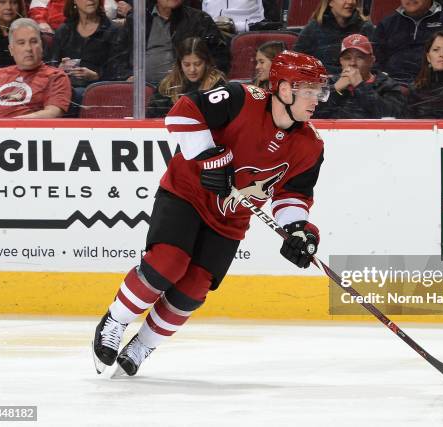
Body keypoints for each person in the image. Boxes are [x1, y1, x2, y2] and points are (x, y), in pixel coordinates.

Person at [92, 50, 329, 377]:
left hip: (230, 219)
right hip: (186, 194)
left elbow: (294, 195)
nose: (316, 99)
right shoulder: (240, 98)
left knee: (194, 287)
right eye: (309, 90)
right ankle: (115, 321)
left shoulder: (311, 145)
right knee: (167, 263)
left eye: (319, 91)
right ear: (285, 89)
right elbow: (182, 113)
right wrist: (210, 158)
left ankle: (143, 344)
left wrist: (299, 230)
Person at [109, 0, 230, 85]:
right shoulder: (137, 20)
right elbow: (117, 57)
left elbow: (220, 58)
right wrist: (127, 76)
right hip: (141, 92)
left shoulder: (200, 20)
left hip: (187, 90)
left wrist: (198, 79)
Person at [0, 18, 71, 117]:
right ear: (11, 49)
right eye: (21, 43)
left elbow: (52, 113)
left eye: (34, 41)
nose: (28, 48)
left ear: (42, 46)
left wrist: (10, 125)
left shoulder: (56, 76)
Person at [373, 0, 443, 83]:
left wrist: (441, 77)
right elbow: (374, 62)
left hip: (437, 88)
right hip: (394, 88)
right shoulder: (387, 24)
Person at [314, 33, 405, 119]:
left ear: (372, 60)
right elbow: (312, 114)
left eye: (359, 57)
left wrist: (360, 85)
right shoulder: (328, 83)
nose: (352, 63)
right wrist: (335, 89)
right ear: (341, 61)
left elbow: (390, 115)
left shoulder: (388, 85)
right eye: (347, 58)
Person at [51, 0, 118, 108]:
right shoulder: (63, 31)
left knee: (76, 95)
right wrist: (59, 69)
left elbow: (118, 72)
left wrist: (96, 76)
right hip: (65, 89)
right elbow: (50, 65)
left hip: (99, 92)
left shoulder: (113, 31)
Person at [146, 36, 226, 118]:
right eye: (186, 64)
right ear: (179, 64)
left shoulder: (218, 86)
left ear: (206, 63)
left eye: (198, 64)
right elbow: (151, 116)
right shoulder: (167, 85)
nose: (192, 69)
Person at [293, 0, 375, 75]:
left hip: (357, 86)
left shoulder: (365, 28)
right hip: (323, 85)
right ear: (330, 2)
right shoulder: (314, 28)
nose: (350, 2)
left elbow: (375, 67)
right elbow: (295, 62)